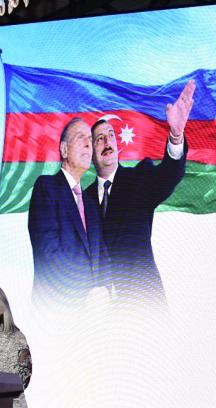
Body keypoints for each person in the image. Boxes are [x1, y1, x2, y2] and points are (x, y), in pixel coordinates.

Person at [88, 79, 195, 307]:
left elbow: (169, 174)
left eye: (111, 135)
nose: (107, 141)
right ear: (90, 153)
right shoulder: (79, 200)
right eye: (99, 139)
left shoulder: (139, 178)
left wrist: (176, 135)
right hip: (96, 314)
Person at [28, 117, 110, 311]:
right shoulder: (46, 187)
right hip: (56, 309)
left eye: (90, 139)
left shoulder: (91, 204)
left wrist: (105, 289)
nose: (89, 144)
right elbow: (48, 252)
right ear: (64, 150)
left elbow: (102, 255)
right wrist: (87, 291)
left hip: (92, 314)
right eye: (81, 137)